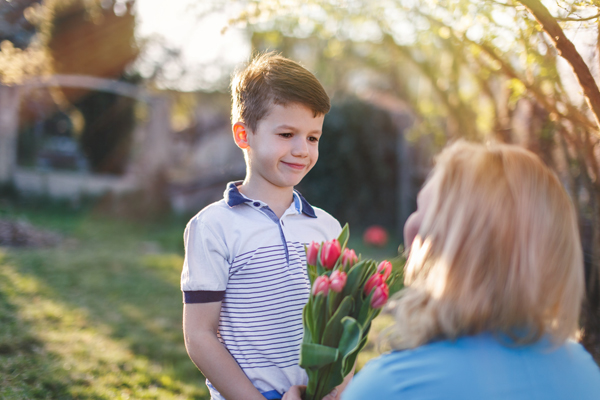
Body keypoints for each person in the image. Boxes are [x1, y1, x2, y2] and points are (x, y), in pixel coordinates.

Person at [342, 141, 600, 399]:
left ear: (453, 245)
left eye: (421, 209)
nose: (412, 225)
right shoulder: (585, 373)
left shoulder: (389, 386)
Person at [181, 52, 347, 400]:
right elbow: (199, 336)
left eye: (313, 137)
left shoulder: (328, 229)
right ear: (244, 134)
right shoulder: (213, 226)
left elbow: (341, 329)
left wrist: (337, 388)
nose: (302, 149)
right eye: (287, 134)